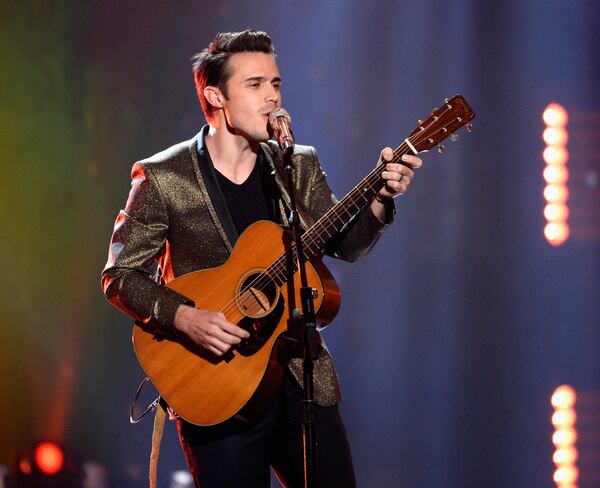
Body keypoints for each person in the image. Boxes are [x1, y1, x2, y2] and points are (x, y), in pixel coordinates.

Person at [101, 29, 422, 487]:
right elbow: (120, 275)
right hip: (217, 385)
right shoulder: (163, 177)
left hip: (300, 379)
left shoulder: (296, 164)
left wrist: (379, 200)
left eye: (275, 84)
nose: (272, 97)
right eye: (255, 85)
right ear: (216, 96)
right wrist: (185, 318)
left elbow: (343, 245)